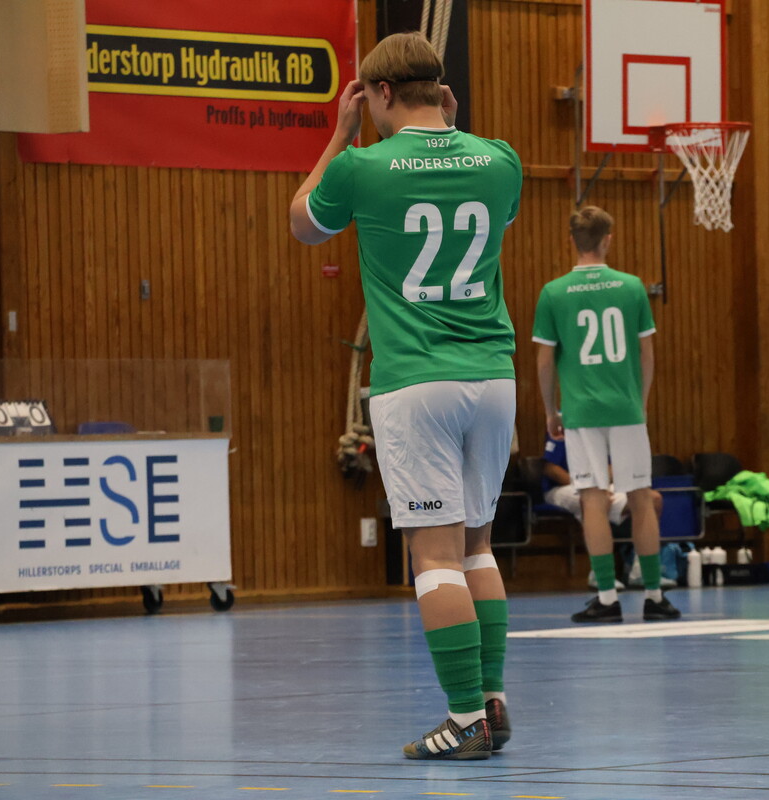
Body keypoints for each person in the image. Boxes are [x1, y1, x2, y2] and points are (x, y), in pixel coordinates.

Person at [288, 32, 522, 760]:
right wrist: (454, 129)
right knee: (478, 545)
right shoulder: (500, 159)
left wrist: (340, 134)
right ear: (439, 90)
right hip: (493, 377)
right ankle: (492, 702)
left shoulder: (362, 165)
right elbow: (484, 206)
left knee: (434, 555)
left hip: (417, 381)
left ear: (380, 93)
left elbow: (302, 222)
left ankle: (465, 719)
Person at [532, 205, 679, 623]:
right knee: (641, 498)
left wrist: (550, 410)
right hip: (626, 407)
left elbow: (544, 360)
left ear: (572, 241)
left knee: (593, 500)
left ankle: (608, 599)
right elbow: (647, 353)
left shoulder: (553, 292)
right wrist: (640, 401)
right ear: (608, 239)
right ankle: (654, 596)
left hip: (580, 411)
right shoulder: (632, 287)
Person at [540, 432, 664, 588]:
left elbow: (614, 467)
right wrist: (588, 488)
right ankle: (599, 574)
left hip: (599, 485)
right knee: (595, 500)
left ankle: (641, 572)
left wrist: (600, 484)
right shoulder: (565, 423)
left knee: (653, 499)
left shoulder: (608, 427)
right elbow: (550, 468)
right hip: (561, 487)